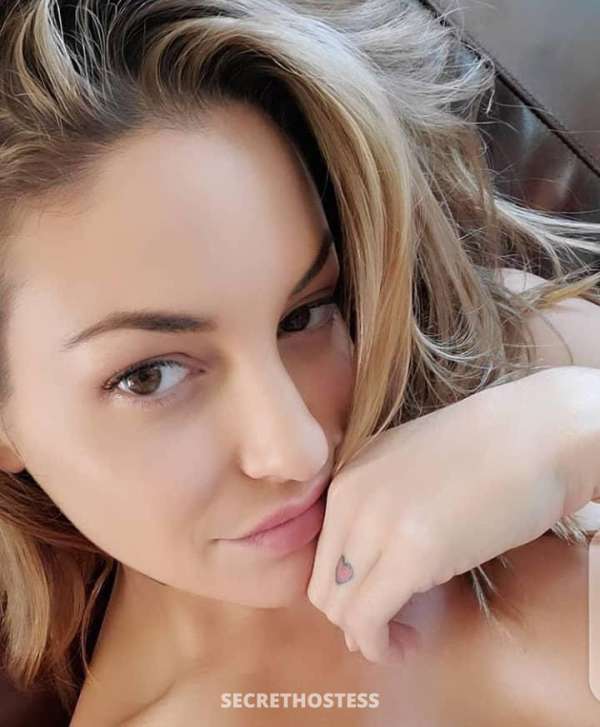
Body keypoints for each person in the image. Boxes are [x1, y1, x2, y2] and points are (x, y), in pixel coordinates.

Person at [0, 0, 600, 724]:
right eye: (149, 376)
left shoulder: (491, 355)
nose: (297, 448)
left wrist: (575, 428)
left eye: (302, 315)